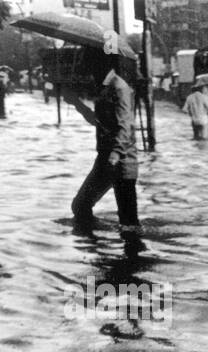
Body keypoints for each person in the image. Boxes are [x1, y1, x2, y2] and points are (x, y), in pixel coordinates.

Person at [64, 57, 141, 245]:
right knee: (80, 205)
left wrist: (115, 154)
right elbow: (98, 122)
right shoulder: (105, 87)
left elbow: (126, 126)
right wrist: (77, 104)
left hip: (121, 160)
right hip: (106, 157)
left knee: (128, 222)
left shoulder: (118, 87)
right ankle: (99, 248)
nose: (88, 72)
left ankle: (130, 259)